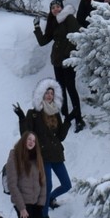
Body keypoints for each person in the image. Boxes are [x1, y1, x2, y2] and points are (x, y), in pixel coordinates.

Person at [34, 0, 90, 131]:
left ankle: (78, 119)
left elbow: (76, 38)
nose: (55, 9)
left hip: (68, 60)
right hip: (57, 61)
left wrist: (67, 54)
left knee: (71, 88)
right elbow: (43, 41)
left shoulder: (69, 18)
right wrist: (37, 27)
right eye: (53, 8)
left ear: (62, 8)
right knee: (60, 89)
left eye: (58, 6)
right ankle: (65, 117)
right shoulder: (53, 22)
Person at [5, 129, 50, 218]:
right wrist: (22, 208)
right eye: (29, 139)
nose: (31, 142)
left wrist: (41, 203)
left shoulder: (37, 159)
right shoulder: (14, 157)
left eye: (34, 141)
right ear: (24, 140)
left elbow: (43, 183)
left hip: (35, 204)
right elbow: (12, 184)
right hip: (23, 204)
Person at [31, 79, 71, 210]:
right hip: (42, 156)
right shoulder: (35, 114)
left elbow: (60, 137)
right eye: (47, 93)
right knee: (47, 186)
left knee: (67, 185)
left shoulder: (55, 113)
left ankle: (49, 200)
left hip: (56, 154)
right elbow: (27, 135)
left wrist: (67, 122)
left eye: (51, 93)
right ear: (41, 94)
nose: (49, 96)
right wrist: (22, 119)